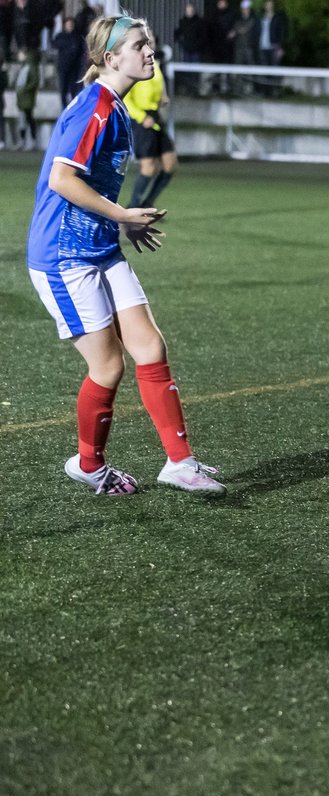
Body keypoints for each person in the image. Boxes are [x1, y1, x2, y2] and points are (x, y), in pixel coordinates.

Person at [26, 15, 224, 495]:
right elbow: (62, 180)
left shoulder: (116, 107)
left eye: (150, 44)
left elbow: (89, 184)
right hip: (63, 257)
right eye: (140, 45)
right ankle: (88, 465)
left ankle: (180, 463)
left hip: (99, 247)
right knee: (109, 366)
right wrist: (123, 213)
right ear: (110, 58)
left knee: (150, 347)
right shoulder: (95, 106)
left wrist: (119, 222)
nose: (150, 51)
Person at [123, 54, 177, 208]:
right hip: (142, 119)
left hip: (156, 117)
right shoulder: (133, 65)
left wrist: (163, 97)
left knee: (170, 163)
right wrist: (141, 117)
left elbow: (159, 87)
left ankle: (148, 203)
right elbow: (125, 97)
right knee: (148, 166)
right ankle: (133, 206)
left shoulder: (155, 64)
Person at [52, 16, 86, 107]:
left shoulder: (78, 37)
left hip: (74, 68)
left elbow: (81, 51)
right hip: (63, 67)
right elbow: (55, 44)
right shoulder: (61, 36)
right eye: (68, 24)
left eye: (71, 24)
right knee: (63, 90)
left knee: (74, 90)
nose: (70, 26)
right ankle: (64, 108)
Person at [14, 46, 38, 150]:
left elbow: (34, 81)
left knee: (27, 118)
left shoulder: (30, 66)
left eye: (20, 53)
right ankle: (24, 141)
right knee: (24, 118)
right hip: (23, 97)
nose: (19, 56)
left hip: (26, 97)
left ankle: (30, 141)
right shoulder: (25, 66)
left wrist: (25, 90)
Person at [258, 0, 287, 65]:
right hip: (262, 47)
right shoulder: (261, 18)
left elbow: (282, 33)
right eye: (267, 4)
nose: (269, 6)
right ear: (264, 6)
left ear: (273, 5)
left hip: (274, 47)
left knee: (275, 69)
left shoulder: (278, 18)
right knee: (263, 70)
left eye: (270, 4)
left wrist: (281, 48)